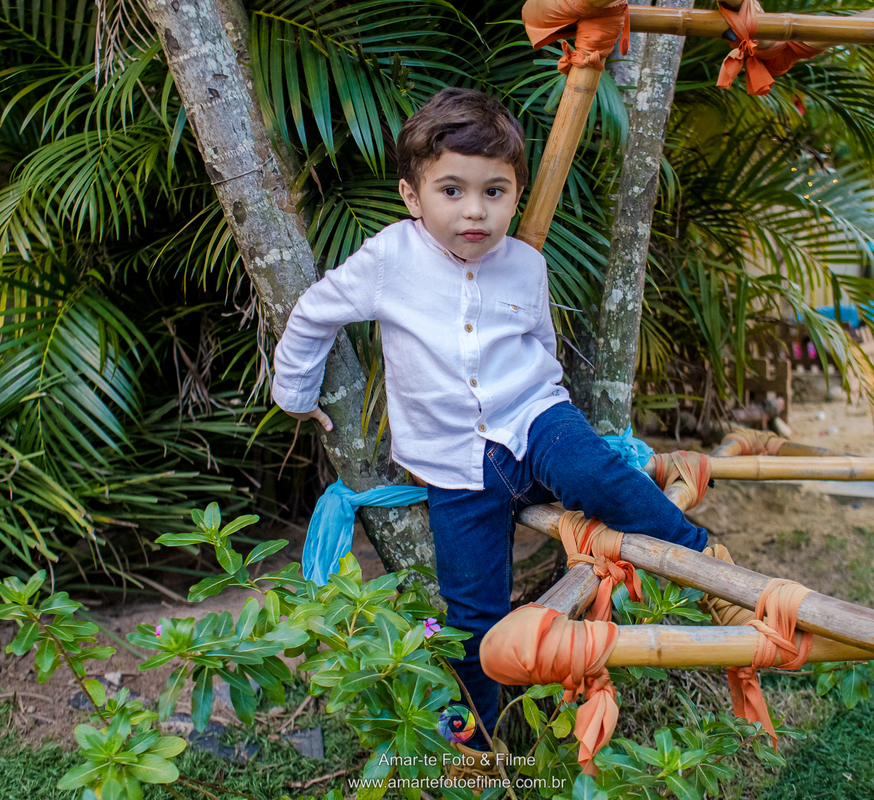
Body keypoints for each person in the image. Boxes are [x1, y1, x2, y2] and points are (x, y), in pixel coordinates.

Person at [272, 87, 707, 748]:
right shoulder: (390, 259)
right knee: (473, 617)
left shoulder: (526, 263)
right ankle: (474, 747)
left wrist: (553, 419)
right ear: (412, 196)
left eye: (495, 192)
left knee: (595, 473)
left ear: (516, 194)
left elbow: (540, 346)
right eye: (452, 191)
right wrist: (297, 393)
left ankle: (701, 559)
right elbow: (313, 313)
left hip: (534, 421)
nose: (475, 210)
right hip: (454, 467)